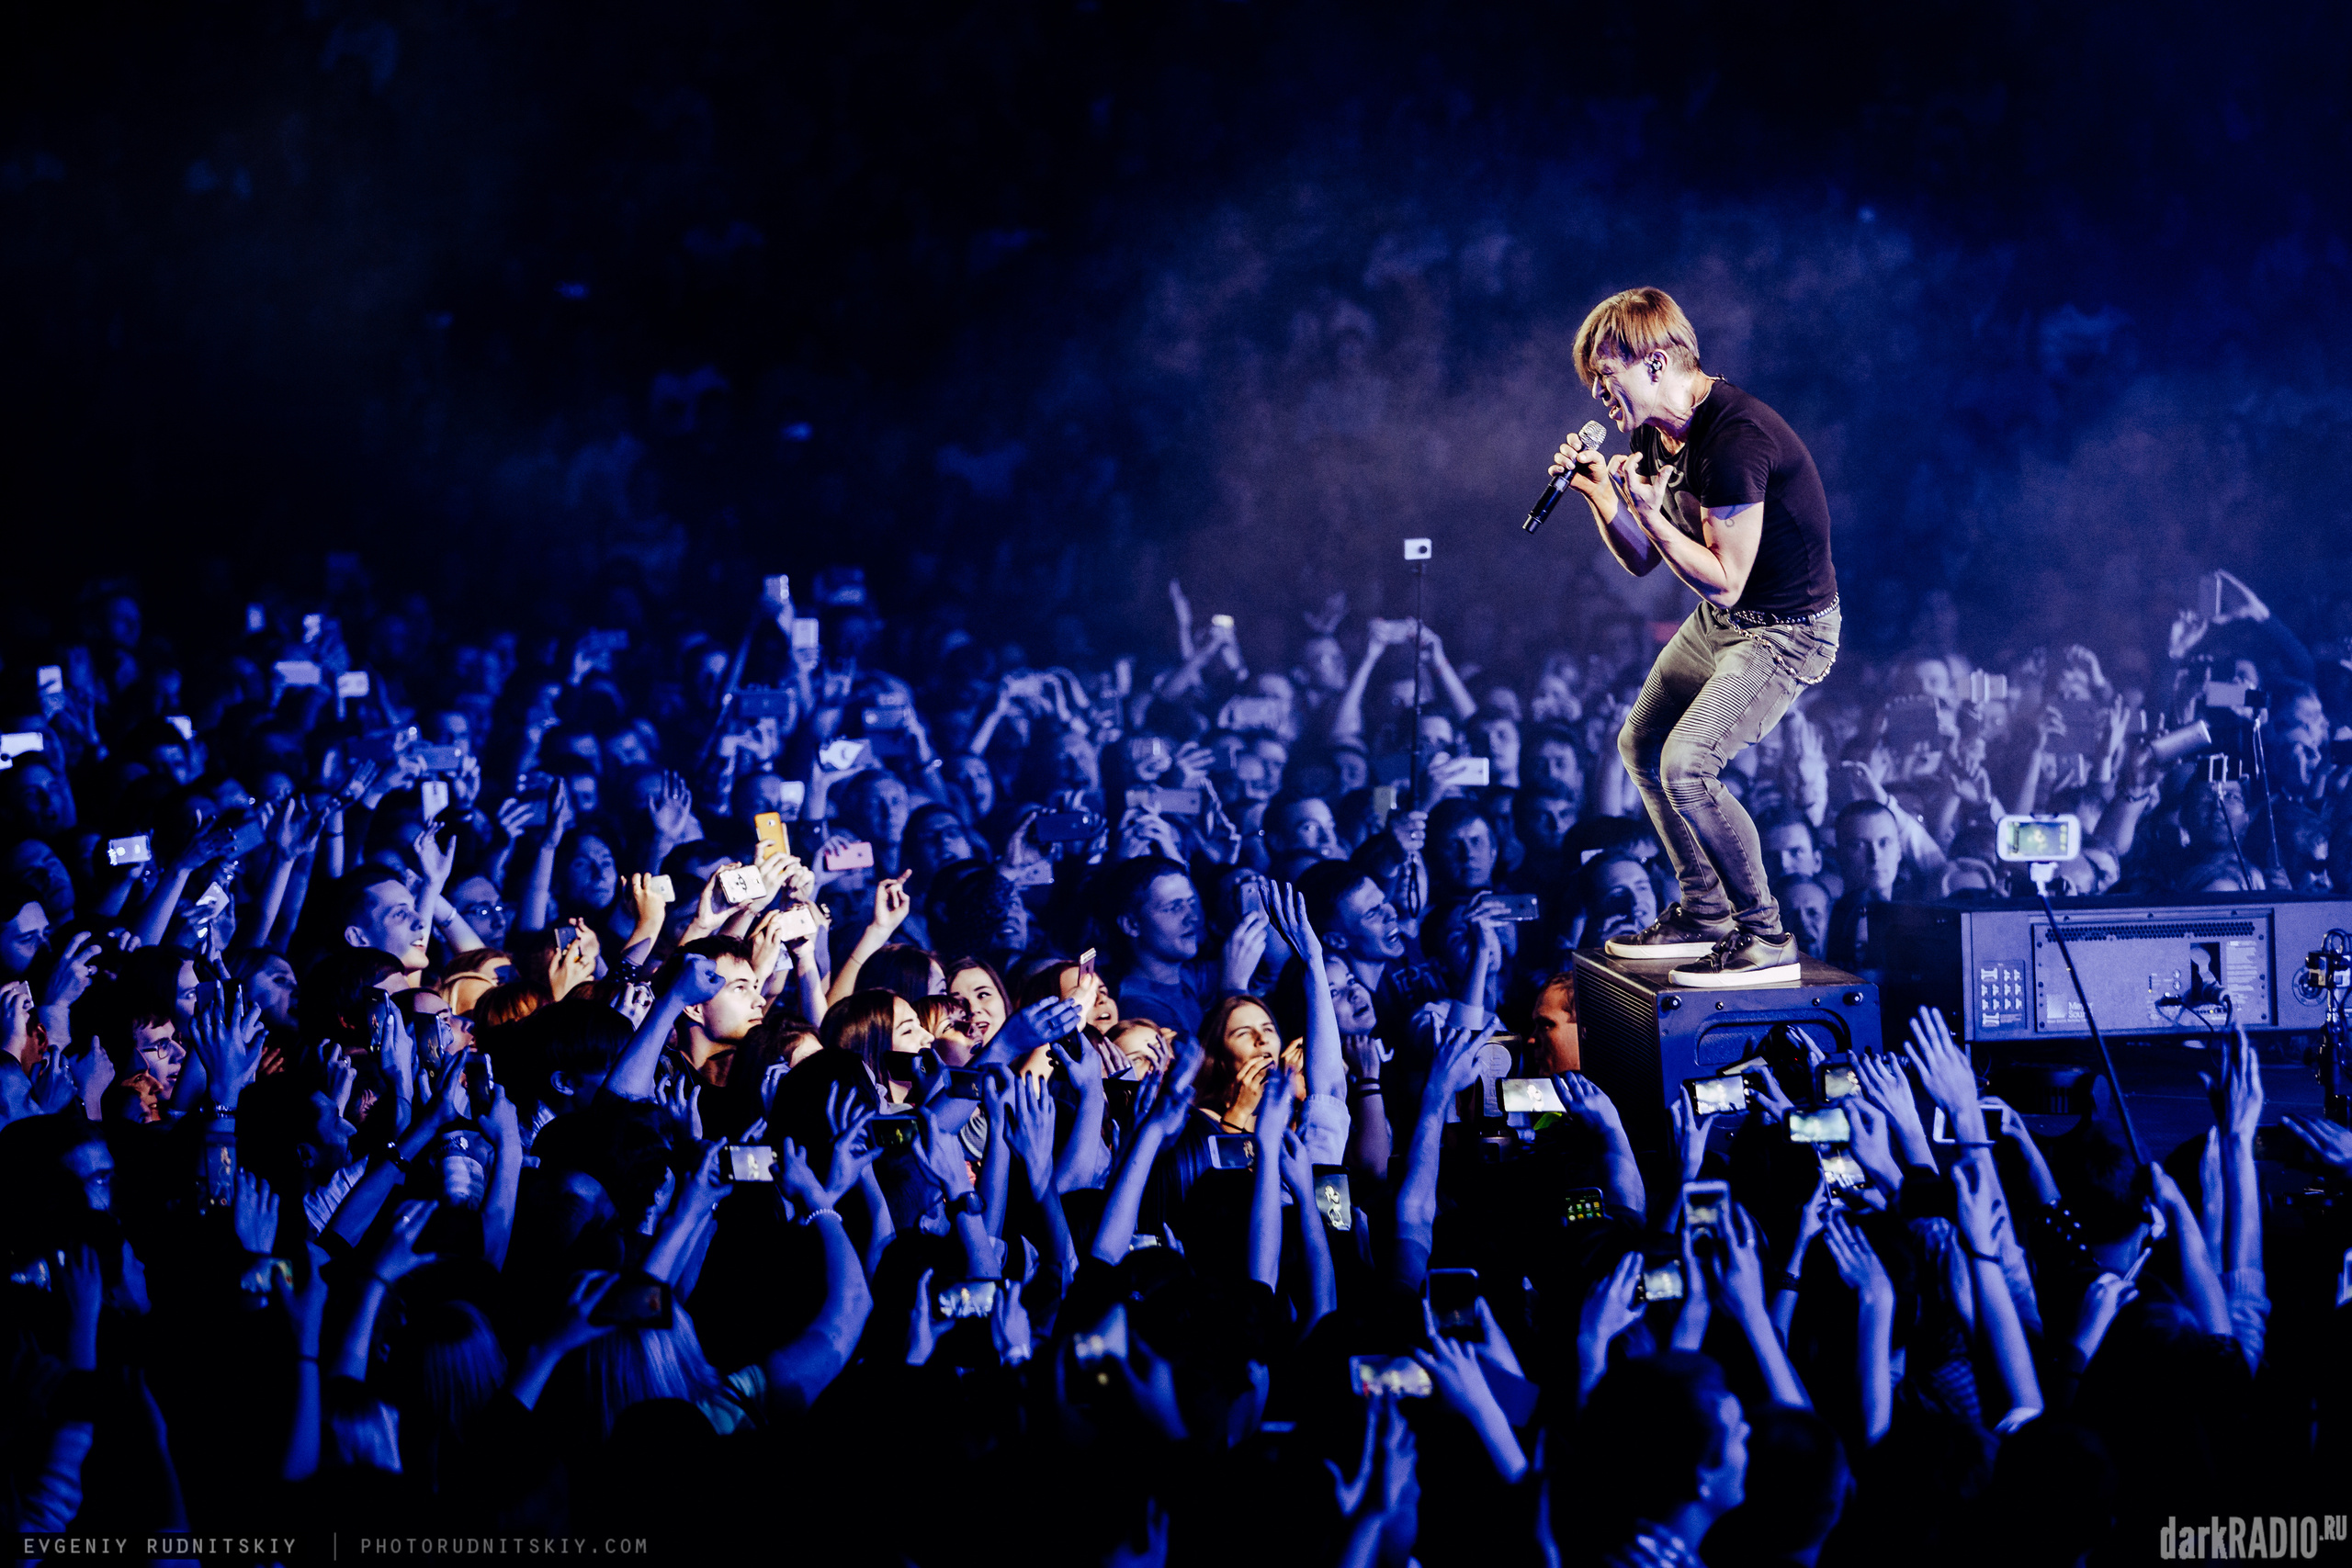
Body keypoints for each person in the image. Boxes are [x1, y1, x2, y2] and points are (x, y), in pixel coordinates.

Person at [1550, 287, 1838, 986]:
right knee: (1640, 743)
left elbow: (1725, 579)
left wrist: (1647, 513)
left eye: (1604, 372)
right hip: (1727, 623)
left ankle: (1765, 933)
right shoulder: (1656, 429)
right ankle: (1704, 910)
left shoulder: (1736, 439)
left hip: (1786, 632)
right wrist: (1601, 497)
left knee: (1687, 761)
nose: (1596, 391)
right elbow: (1647, 558)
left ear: (1651, 361)